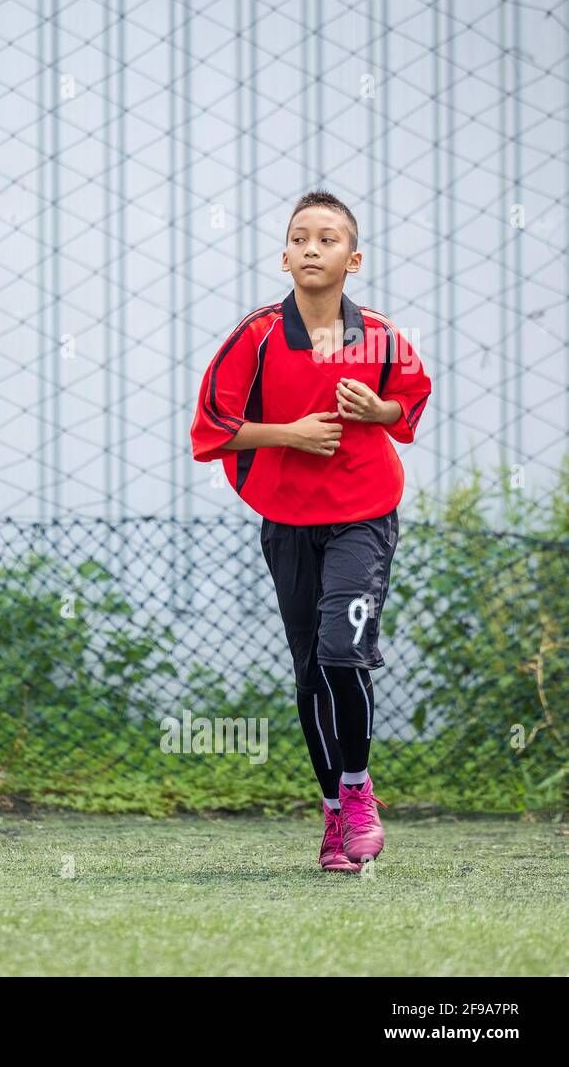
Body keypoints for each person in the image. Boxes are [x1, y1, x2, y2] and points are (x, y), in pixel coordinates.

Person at [190, 189, 431, 870]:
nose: (312, 248)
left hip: (364, 514)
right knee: (308, 674)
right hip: (288, 518)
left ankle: (358, 794)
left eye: (327, 239)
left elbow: (409, 402)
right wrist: (287, 434)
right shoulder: (256, 335)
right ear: (285, 256)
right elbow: (212, 430)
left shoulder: (379, 336)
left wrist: (380, 409)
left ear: (352, 259)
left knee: (339, 653)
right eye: (301, 238)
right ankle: (333, 816)